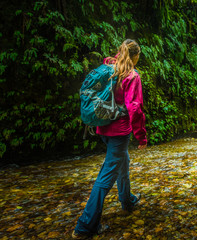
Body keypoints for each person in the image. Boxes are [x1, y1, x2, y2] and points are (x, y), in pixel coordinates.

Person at [72, 39, 147, 239]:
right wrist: (141, 137)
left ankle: (127, 200)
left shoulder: (109, 68)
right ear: (135, 56)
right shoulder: (132, 75)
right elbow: (134, 108)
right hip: (120, 133)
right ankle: (85, 227)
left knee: (123, 161)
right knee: (106, 178)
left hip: (103, 128)